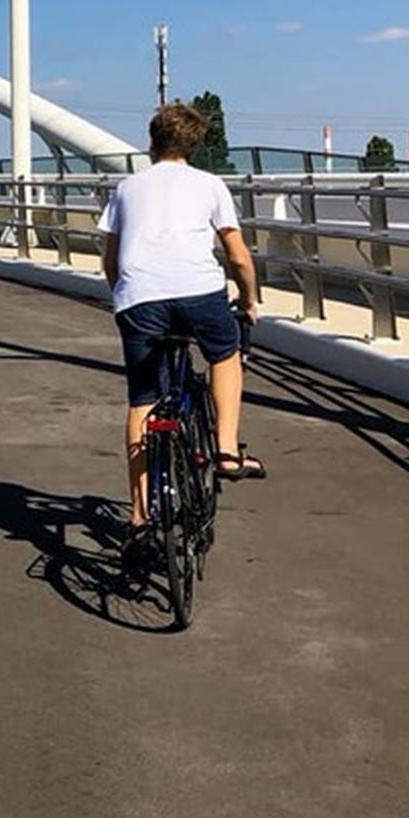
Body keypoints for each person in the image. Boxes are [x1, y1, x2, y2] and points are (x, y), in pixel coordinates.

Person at [97, 104, 263, 554]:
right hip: (198, 292)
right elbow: (238, 257)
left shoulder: (126, 188)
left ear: (151, 143)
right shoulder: (210, 185)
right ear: (194, 145)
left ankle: (139, 516)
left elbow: (110, 261)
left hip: (139, 298)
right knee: (224, 355)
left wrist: (125, 297)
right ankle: (227, 451)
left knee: (144, 400)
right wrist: (248, 302)